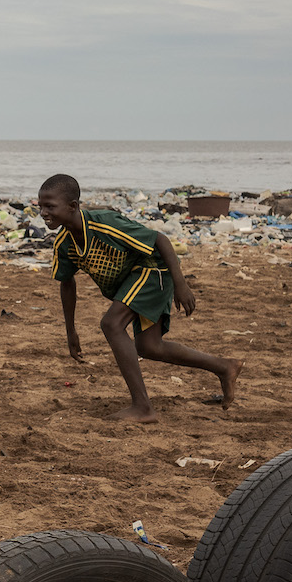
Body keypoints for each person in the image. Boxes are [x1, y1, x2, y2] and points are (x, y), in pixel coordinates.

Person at [37, 173, 240, 423]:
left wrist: (181, 284)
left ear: (73, 206)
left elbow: (159, 239)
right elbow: (67, 283)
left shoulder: (104, 223)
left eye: (50, 206)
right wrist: (70, 330)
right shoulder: (63, 244)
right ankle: (224, 367)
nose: (44, 213)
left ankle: (143, 407)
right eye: (40, 206)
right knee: (149, 347)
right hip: (132, 281)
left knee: (111, 324)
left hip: (152, 270)